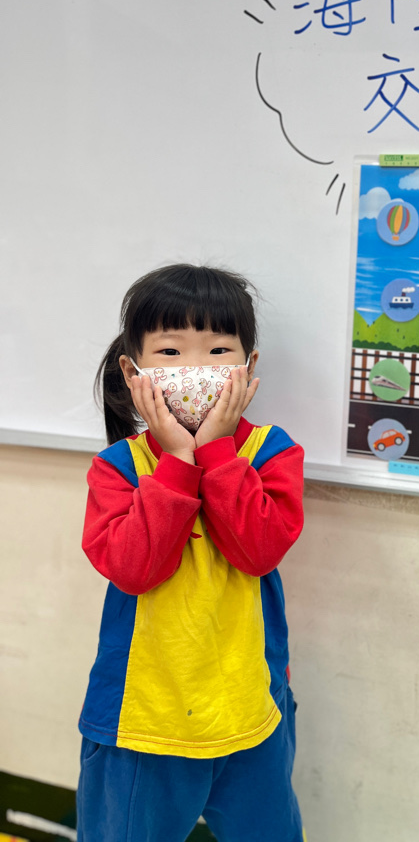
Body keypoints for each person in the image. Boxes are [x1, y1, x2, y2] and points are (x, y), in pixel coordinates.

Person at [76, 264, 305, 842]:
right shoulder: (118, 467)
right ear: (132, 372)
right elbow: (134, 570)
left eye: (218, 350)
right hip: (143, 720)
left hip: (251, 710)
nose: (194, 369)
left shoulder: (272, 452)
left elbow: (258, 552)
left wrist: (219, 454)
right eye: (170, 351)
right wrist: (178, 460)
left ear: (249, 367)